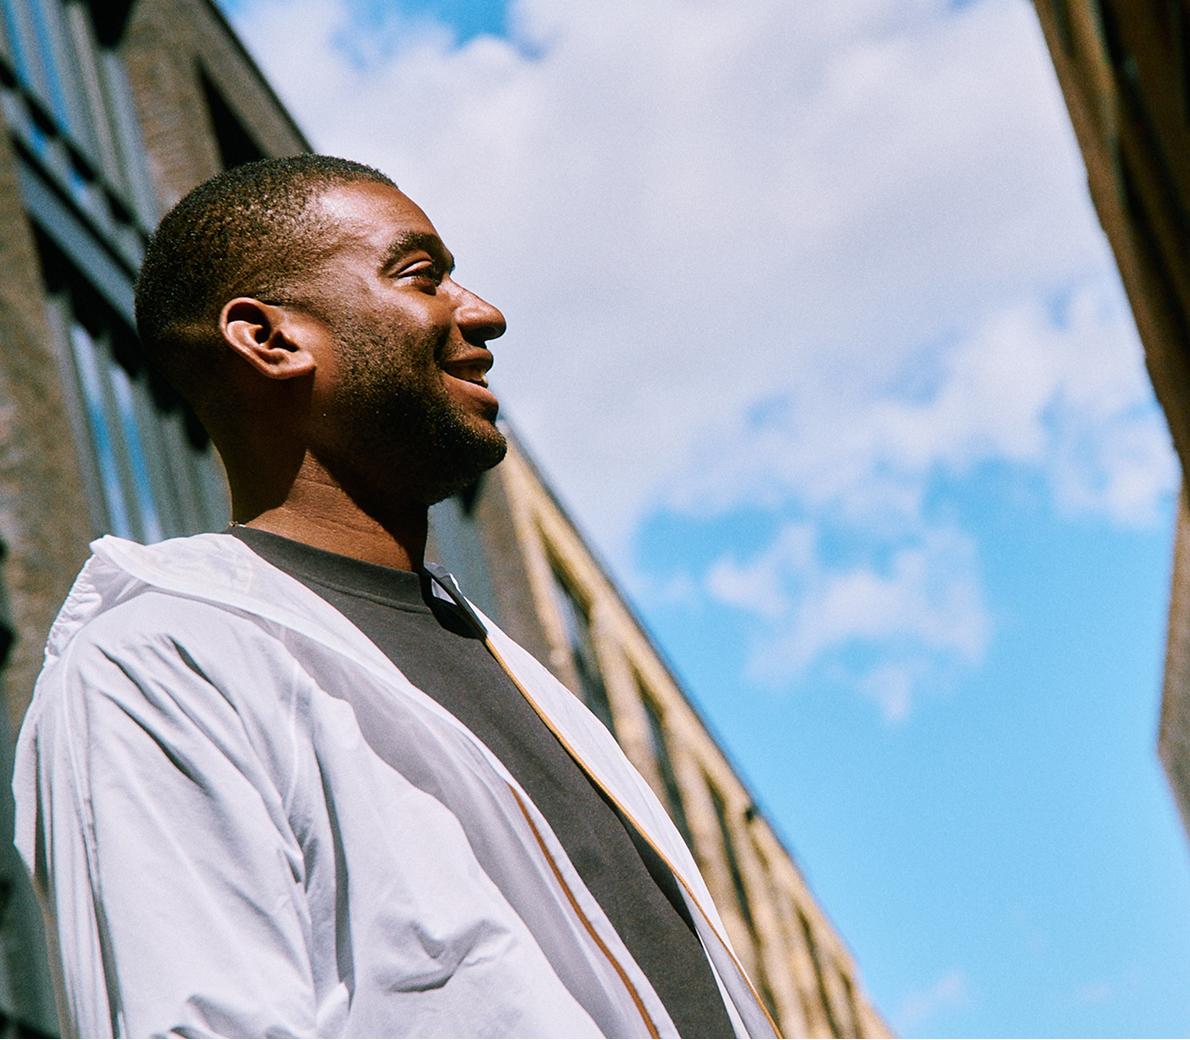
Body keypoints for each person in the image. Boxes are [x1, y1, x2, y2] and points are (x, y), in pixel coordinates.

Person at [13, 155, 777, 1039]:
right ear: (270, 339)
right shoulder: (159, 666)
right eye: (423, 275)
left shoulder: (514, 670)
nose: (484, 312)